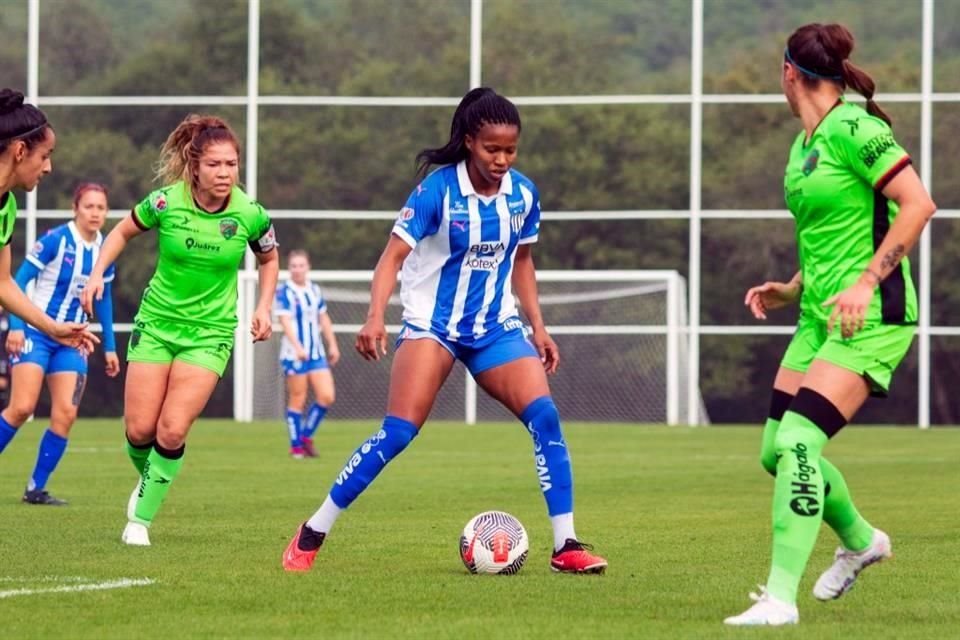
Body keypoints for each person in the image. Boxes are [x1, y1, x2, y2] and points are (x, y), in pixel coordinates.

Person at [282, 87, 607, 574]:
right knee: (397, 433)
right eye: (491, 149)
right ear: (470, 141)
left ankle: (566, 546)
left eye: (510, 150)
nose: (501, 159)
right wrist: (376, 315)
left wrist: (539, 327)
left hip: (496, 328)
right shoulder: (438, 191)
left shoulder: (523, 194)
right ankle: (313, 531)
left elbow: (523, 260)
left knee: (546, 419)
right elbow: (392, 257)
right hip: (433, 326)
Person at [725, 24, 936, 626]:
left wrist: (867, 281)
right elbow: (832, 233)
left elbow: (918, 205)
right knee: (775, 452)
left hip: (872, 318)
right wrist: (792, 287)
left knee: (798, 443)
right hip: (819, 319)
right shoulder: (804, 143)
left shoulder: (857, 129)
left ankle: (780, 600)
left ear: (788, 71)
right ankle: (862, 540)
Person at [81, 114, 279, 547]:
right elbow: (121, 231)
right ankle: (152, 478)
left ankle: (140, 522)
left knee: (171, 430)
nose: (225, 173)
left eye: (231, 164)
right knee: (139, 431)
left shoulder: (250, 214)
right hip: (156, 325)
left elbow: (269, 258)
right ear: (194, 166)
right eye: (215, 165)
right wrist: (97, 272)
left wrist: (264, 305)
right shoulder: (166, 202)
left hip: (210, 333)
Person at [3, 183, 119, 505]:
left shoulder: (106, 250)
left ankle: (35, 489)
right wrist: (15, 326)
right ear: (75, 209)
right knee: (21, 407)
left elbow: (104, 298)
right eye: (89, 206)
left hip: (72, 341)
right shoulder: (56, 240)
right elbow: (16, 279)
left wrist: (110, 346)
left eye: (101, 208)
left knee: (66, 414)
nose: (95, 213)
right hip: (36, 333)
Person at [0, 88, 99, 458]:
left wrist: (53, 327)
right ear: (20, 151)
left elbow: (4, 283)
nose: (48, 167)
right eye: (45, 156)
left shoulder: (6, 207)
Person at [275, 249, 339, 459]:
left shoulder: (314, 290)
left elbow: (323, 317)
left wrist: (333, 345)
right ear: (289, 268)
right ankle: (296, 447)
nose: (297, 270)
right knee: (298, 398)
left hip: (316, 352)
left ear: (308, 267)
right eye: (293, 266)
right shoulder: (285, 292)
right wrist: (298, 347)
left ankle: (306, 437)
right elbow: (284, 321)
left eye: (301, 265)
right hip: (295, 354)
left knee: (326, 396)